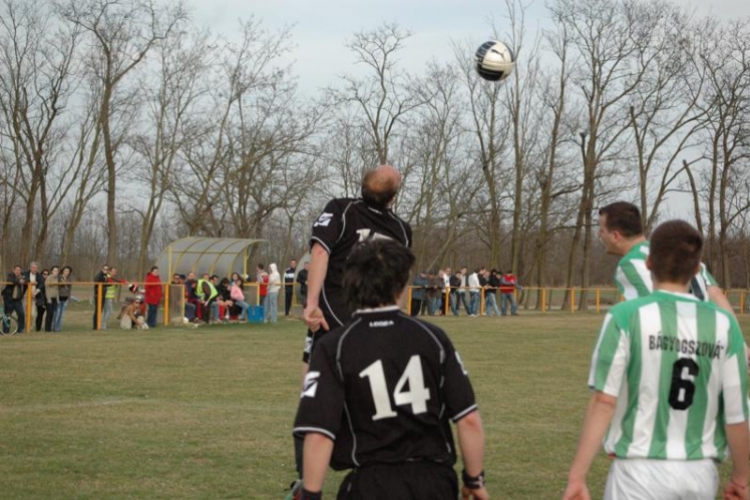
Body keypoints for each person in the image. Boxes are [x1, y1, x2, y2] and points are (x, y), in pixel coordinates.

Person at [563, 220, 749, 500]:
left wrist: (577, 475)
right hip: (700, 473)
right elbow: (737, 414)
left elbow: (604, 401)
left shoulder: (625, 316)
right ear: (698, 271)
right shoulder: (724, 324)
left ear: (648, 263)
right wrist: (741, 478)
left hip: (638, 472)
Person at [293, 239, 488, 500]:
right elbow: (469, 418)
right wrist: (474, 479)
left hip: (370, 485)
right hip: (434, 483)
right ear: (401, 285)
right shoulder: (432, 337)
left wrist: (311, 495)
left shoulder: (333, 347)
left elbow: (318, 433)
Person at [290, 165, 412, 495]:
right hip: (378, 326)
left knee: (312, 395)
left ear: (361, 186)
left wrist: (312, 303)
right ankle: (369, 466)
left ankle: (307, 482)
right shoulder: (401, 229)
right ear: (394, 197)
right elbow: (401, 284)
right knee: (374, 396)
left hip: (334, 316)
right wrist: (398, 322)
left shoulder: (341, 209)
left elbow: (319, 251)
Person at [598, 201, 735, 313]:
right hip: (712, 338)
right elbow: (715, 293)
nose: (599, 235)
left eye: (601, 230)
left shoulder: (630, 264)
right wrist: (740, 343)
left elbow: (656, 309)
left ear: (615, 236)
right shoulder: (675, 251)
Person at [2, 265, 26, 333]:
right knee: (7, 315)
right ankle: (5, 331)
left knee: (21, 314)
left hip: (17, 300)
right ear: (14, 270)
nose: (18, 271)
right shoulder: (10, 275)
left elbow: (27, 279)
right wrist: (19, 281)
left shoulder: (22, 276)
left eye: (19, 270)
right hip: (9, 299)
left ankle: (20, 330)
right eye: (16, 270)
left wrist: (23, 280)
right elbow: (11, 280)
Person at [52, 266, 72, 332]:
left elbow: (69, 289)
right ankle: (54, 327)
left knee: (61, 314)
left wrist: (68, 298)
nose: (66, 272)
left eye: (68, 271)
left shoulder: (69, 279)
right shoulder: (59, 277)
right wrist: (62, 284)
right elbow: (56, 288)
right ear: (63, 271)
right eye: (65, 271)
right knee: (57, 313)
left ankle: (58, 328)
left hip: (65, 298)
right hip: (59, 297)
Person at [93, 264, 109, 329]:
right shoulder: (99, 275)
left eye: (107, 269)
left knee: (100, 310)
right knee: (97, 310)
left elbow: (106, 284)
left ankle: (98, 325)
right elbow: (96, 282)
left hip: (103, 294)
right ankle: (95, 326)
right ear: (102, 269)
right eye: (104, 269)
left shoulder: (105, 276)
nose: (105, 270)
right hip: (98, 295)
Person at [44, 266, 60, 332]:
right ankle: (47, 329)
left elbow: (57, 290)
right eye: (55, 271)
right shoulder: (49, 278)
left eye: (57, 271)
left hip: (54, 298)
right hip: (49, 298)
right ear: (52, 271)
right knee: (49, 314)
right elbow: (47, 288)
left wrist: (57, 299)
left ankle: (52, 328)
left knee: (54, 314)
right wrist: (48, 298)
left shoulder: (57, 278)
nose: (56, 272)